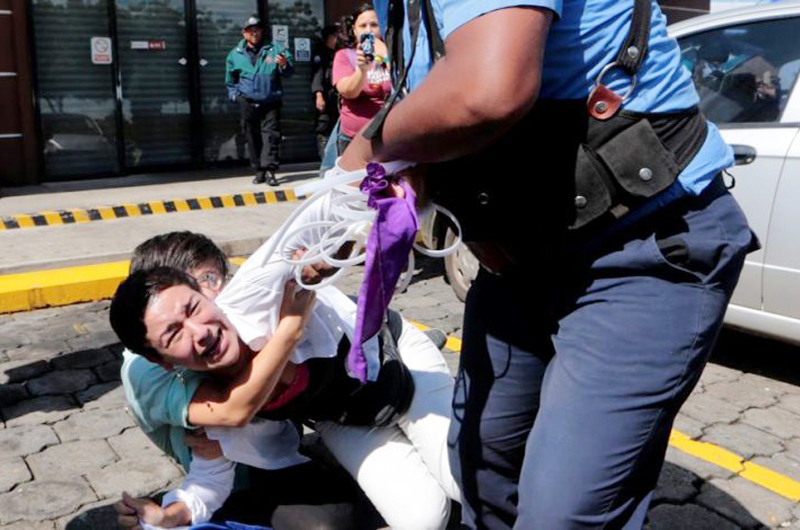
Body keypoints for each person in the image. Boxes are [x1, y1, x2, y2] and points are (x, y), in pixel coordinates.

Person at [335, 0, 760, 528]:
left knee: (563, 514)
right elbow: (435, 113)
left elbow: (484, 91)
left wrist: (362, 153)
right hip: (517, 265)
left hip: (641, 247)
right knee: (481, 472)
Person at [111, 231, 460, 529]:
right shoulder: (210, 393)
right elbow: (212, 469)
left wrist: (318, 261)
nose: (200, 329)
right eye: (173, 332)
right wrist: (168, 515)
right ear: (164, 360)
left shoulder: (268, 295)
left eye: (211, 282)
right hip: (345, 416)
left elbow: (325, 228)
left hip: (396, 363)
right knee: (423, 520)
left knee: (461, 477)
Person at [226, 15, 293, 186]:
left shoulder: (275, 49)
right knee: (251, 135)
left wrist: (284, 64)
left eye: (257, 30)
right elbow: (230, 80)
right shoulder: (235, 54)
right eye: (250, 30)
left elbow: (289, 72)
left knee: (271, 136)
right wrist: (235, 95)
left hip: (270, 100)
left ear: (262, 32)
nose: (254, 33)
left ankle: (270, 170)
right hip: (247, 101)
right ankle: (259, 170)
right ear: (244, 33)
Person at [332, 4, 391, 154]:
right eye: (363, 25)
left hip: (390, 138)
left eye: (374, 25)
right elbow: (348, 92)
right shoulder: (345, 56)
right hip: (353, 140)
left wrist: (386, 55)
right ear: (354, 30)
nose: (369, 30)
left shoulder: (392, 55)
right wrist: (361, 70)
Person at [312, 25, 340, 159]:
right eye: (334, 36)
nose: (337, 39)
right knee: (324, 126)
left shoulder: (339, 53)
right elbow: (317, 76)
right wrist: (319, 94)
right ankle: (325, 158)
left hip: (338, 96)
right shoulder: (320, 54)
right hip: (325, 95)